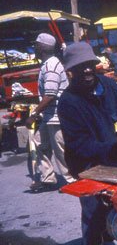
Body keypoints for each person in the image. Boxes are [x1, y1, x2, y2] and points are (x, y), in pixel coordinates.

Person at [57, 42, 117, 244]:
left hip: (114, 159)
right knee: (94, 217)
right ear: (70, 73)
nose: (86, 69)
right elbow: (80, 145)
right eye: (79, 67)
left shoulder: (108, 84)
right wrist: (113, 148)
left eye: (89, 64)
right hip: (86, 166)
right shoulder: (68, 102)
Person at [25, 33, 75, 192]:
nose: (34, 48)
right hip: (49, 116)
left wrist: (34, 114)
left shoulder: (51, 66)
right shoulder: (48, 64)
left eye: (36, 45)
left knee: (60, 150)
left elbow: (50, 94)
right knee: (40, 144)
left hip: (57, 116)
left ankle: (72, 180)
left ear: (42, 48)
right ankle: (48, 179)